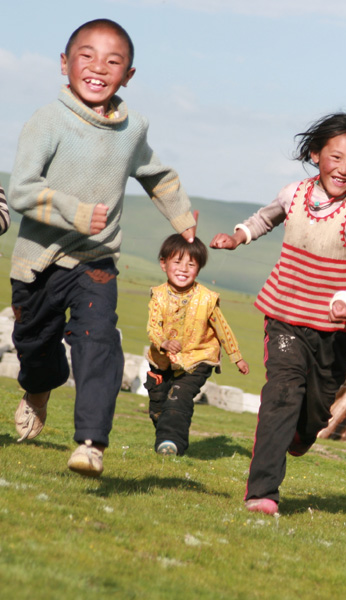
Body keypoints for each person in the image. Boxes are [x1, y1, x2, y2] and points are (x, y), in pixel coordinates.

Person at [8, 19, 197, 477]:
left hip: (95, 262)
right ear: (64, 64)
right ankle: (39, 388)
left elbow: (157, 174)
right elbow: (21, 191)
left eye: (113, 62)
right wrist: (74, 211)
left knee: (98, 342)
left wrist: (183, 218)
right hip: (37, 263)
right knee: (34, 347)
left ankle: (91, 443)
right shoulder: (48, 121)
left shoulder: (131, 130)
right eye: (86, 56)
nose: (98, 68)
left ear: (128, 75)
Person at [210, 111, 346, 515]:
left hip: (333, 331)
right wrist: (238, 237)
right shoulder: (293, 194)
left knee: (313, 414)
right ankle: (263, 493)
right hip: (286, 315)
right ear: (315, 154)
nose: (343, 169)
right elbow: (265, 217)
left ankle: (300, 433)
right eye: (335, 157)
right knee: (281, 396)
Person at [145, 234, 249, 456]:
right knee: (158, 406)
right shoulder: (158, 296)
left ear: (199, 268)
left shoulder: (207, 298)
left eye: (191, 264)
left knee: (179, 396)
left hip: (198, 358)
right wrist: (163, 342)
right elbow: (153, 327)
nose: (183, 269)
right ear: (163, 263)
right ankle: (166, 436)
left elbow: (223, 328)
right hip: (163, 360)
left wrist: (236, 356)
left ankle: (172, 443)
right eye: (177, 262)